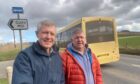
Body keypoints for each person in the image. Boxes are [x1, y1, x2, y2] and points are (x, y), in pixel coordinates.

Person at [12, 20, 65, 84]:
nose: (48, 37)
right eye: (45, 32)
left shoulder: (57, 56)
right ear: (37, 34)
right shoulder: (25, 57)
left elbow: (61, 80)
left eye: (52, 34)